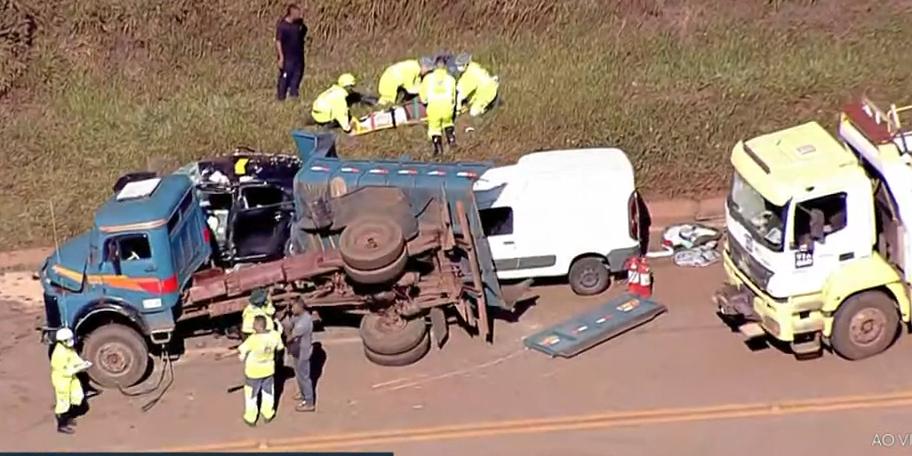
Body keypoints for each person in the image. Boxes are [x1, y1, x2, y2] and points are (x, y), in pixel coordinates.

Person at [238, 315, 284, 426]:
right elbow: (280, 348)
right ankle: (268, 413)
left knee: (251, 396)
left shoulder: (253, 339)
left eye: (254, 324)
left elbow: (241, 351)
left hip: (253, 372)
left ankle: (251, 417)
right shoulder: (275, 336)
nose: (252, 326)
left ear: (258, 326)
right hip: (268, 370)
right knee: (268, 393)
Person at [50, 328, 89, 434]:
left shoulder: (68, 348)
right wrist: (78, 369)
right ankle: (61, 424)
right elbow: (64, 371)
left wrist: (83, 363)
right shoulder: (58, 354)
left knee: (77, 395)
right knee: (63, 402)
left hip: (71, 377)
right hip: (62, 380)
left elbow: (74, 358)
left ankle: (68, 416)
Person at [419, 55, 458, 155]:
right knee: (448, 123)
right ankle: (451, 140)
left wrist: (425, 102)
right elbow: (453, 95)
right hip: (447, 107)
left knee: (434, 128)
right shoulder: (451, 79)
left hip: (433, 107)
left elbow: (423, 97)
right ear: (445, 66)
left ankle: (438, 149)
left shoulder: (428, 78)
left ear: (435, 66)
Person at [286, 301, 316, 412]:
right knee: (299, 374)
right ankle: (302, 393)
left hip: (303, 352)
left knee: (304, 377)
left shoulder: (304, 322)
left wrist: (285, 338)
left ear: (300, 307)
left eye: (293, 307)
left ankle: (309, 402)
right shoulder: (298, 317)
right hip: (297, 350)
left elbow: (290, 336)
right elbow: (290, 324)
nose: (291, 309)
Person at [275, 4, 307, 101]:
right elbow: (278, 41)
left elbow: (303, 32)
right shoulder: (283, 26)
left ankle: (293, 94)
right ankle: (281, 96)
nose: (299, 15)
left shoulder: (298, 25)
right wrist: (281, 57)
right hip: (287, 56)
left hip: (298, 56)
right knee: (285, 76)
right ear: (291, 14)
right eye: (297, 13)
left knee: (297, 75)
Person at [454, 53, 499, 117]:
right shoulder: (472, 66)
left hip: (487, 92)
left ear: (466, 64)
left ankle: (488, 108)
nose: (458, 67)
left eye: (460, 65)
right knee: (469, 101)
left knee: (474, 112)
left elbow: (461, 95)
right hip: (485, 87)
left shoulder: (470, 74)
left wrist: (457, 111)